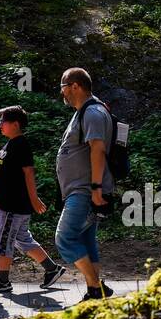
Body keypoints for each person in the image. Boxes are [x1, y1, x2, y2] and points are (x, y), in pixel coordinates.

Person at [0, 105, 66, 292]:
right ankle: (52, 269)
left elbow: (28, 173)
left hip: (14, 204)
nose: (0, 125)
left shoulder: (21, 144)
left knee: (4, 238)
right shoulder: (10, 144)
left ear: (15, 124)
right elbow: (7, 175)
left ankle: (2, 280)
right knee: (22, 239)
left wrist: (34, 199)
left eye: (2, 121)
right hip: (9, 201)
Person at [54, 67, 114, 302]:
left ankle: (95, 287)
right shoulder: (85, 112)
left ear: (75, 86)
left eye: (63, 88)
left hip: (85, 190)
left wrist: (97, 188)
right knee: (86, 239)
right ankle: (94, 292)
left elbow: (97, 149)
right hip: (79, 189)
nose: (63, 94)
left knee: (65, 237)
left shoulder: (93, 112)